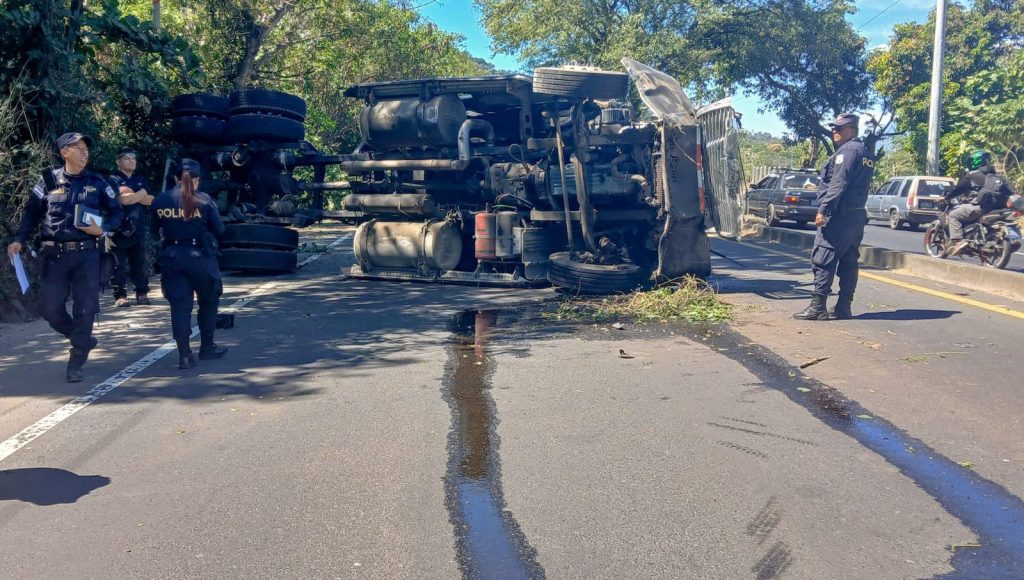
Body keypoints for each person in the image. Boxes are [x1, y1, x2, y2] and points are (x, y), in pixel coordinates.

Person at [6, 132, 124, 382]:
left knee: (85, 308)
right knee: (49, 308)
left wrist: (103, 229)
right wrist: (19, 239)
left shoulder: (97, 182)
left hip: (87, 255)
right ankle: (81, 339)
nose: (84, 152)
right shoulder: (48, 181)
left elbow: (116, 213)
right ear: (64, 152)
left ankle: (77, 361)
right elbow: (31, 213)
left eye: (86, 148)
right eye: (78, 147)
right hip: (56, 256)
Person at [794, 113, 874, 321]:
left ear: (852, 130)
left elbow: (838, 183)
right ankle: (843, 307)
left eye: (839, 128)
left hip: (839, 215)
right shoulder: (864, 152)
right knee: (848, 260)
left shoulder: (847, 151)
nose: (834, 131)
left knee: (824, 256)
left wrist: (824, 210)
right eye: (833, 128)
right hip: (856, 215)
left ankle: (818, 306)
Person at [152, 158, 227, 369]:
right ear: (197, 179)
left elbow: (154, 230)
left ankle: (184, 356)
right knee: (208, 302)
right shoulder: (204, 200)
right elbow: (220, 230)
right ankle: (207, 347)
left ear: (175, 177)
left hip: (172, 258)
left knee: (179, 307)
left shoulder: (160, 200)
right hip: (201, 258)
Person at [942, 150, 1017, 257]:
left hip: (981, 207)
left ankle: (958, 241)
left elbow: (957, 189)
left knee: (953, 215)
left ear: (974, 162)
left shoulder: (972, 176)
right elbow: (1011, 192)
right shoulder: (997, 177)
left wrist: (946, 197)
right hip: (997, 209)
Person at [107, 147, 154, 307]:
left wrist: (134, 194)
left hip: (138, 227)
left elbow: (150, 200)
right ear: (118, 162)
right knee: (117, 264)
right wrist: (141, 193)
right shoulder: (112, 180)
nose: (131, 161)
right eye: (127, 158)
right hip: (118, 228)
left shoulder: (140, 179)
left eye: (133, 158)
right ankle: (120, 295)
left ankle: (142, 293)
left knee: (139, 262)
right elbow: (123, 200)